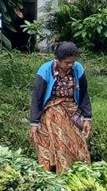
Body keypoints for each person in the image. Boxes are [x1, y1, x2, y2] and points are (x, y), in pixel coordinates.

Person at [30, 41, 92, 173]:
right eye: (67, 62)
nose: (70, 65)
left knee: (78, 140)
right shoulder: (45, 70)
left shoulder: (78, 69)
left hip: (71, 107)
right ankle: (60, 170)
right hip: (52, 107)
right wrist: (34, 122)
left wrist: (87, 117)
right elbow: (37, 97)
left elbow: (83, 93)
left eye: (73, 62)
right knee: (59, 136)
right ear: (57, 60)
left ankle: (79, 170)